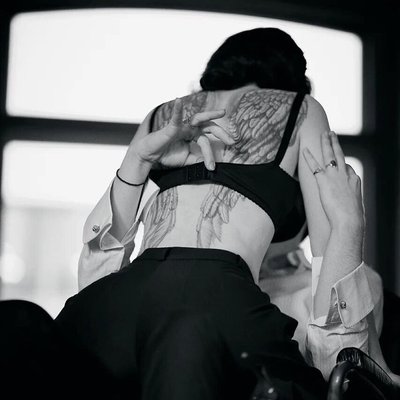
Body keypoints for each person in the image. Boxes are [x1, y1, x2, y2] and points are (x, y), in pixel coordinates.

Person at [1, 27, 352, 399]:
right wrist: (340, 358)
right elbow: (328, 254)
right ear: (292, 76)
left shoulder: (165, 113)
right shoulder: (301, 108)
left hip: (120, 295)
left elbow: (106, 250)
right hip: (217, 289)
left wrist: (137, 163)